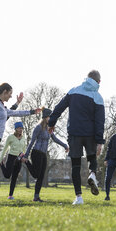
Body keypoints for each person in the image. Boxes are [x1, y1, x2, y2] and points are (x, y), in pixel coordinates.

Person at [48, 70, 105, 205]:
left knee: (76, 165)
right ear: (99, 82)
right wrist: (99, 141)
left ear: (86, 78)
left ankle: (79, 197)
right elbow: (100, 121)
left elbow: (59, 107)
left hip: (74, 133)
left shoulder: (73, 91)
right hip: (90, 134)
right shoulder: (97, 97)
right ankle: (92, 174)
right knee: (92, 158)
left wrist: (51, 123)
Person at [22, 108, 69, 202]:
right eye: (49, 117)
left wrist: (65, 145)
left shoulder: (49, 129)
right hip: (36, 153)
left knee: (41, 176)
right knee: (36, 174)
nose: (51, 119)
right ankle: (26, 162)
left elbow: (55, 139)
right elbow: (32, 142)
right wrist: (26, 155)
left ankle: (36, 197)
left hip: (43, 154)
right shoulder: (38, 127)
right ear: (45, 117)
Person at [0, 122, 27, 200]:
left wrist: (25, 157)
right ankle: (1, 165)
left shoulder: (23, 137)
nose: (21, 130)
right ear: (15, 129)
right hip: (11, 157)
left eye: (22, 128)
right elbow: (5, 148)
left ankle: (10, 195)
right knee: (7, 175)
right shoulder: (10, 137)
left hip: (19, 159)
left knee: (14, 177)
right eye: (19, 128)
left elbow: (24, 149)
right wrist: (0, 159)